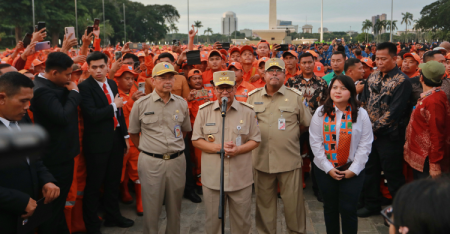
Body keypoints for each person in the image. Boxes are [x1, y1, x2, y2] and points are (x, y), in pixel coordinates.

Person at [247, 58, 312, 234]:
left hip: (288, 160)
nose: (274, 74)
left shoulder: (296, 97)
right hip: (261, 160)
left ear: (285, 74)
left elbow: (306, 123)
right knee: (264, 206)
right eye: (270, 71)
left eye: (278, 71)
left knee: (294, 207)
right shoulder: (252, 98)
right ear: (264, 74)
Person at [191, 70, 261, 234]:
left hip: (240, 179)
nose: (224, 92)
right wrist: (219, 148)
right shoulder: (204, 111)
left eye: (228, 88)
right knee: (213, 224)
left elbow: (255, 140)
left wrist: (238, 150)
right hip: (213, 179)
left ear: (235, 88)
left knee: (242, 225)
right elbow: (196, 140)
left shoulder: (248, 111)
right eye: (220, 88)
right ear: (214, 89)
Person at [128, 62, 192, 234]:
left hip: (177, 161)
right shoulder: (141, 104)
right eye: (162, 78)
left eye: (171, 77)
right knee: (151, 207)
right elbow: (133, 133)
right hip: (151, 162)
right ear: (153, 80)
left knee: (175, 207)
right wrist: (148, 150)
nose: (168, 81)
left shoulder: (181, 103)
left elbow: (185, 130)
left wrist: (172, 146)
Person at [309, 75, 373, 234]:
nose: (338, 91)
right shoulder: (320, 112)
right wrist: (328, 168)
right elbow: (316, 143)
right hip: (325, 169)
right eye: (335, 88)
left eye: (343, 88)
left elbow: (365, 144)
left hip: (352, 169)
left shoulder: (361, 114)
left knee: (349, 209)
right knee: (330, 208)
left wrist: (355, 169)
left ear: (351, 92)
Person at [78, 51, 134, 234]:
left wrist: (125, 136)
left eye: (101, 66)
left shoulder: (111, 83)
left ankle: (113, 216)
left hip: (116, 139)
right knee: (95, 184)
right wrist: (112, 106)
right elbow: (91, 115)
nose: (98, 70)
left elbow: (120, 114)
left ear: (108, 66)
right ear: (88, 68)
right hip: (97, 143)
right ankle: (92, 224)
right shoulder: (85, 87)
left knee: (113, 182)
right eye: (93, 67)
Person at [0, 72, 59, 234]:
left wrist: (46, 180)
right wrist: (19, 200)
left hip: (26, 215)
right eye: (23, 101)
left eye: (29, 101)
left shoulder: (22, 119)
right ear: (2, 98)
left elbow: (33, 157)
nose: (28, 106)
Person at [28, 52, 80, 234]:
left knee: (57, 209)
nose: (70, 78)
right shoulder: (42, 90)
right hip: (55, 159)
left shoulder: (50, 84)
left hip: (62, 155)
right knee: (53, 209)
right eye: (67, 75)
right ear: (54, 73)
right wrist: (74, 93)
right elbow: (63, 116)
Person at [358, 42, 412, 217]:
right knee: (370, 170)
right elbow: (364, 102)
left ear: (395, 59)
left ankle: (400, 212)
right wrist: (366, 129)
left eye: (383, 59)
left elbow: (394, 112)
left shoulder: (402, 81)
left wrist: (373, 129)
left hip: (390, 136)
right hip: (370, 135)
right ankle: (372, 204)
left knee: (393, 174)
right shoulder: (372, 77)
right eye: (377, 59)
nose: (379, 62)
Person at [285, 52, 328, 201]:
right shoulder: (291, 82)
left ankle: (319, 189)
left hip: (316, 127)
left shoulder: (322, 83)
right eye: (304, 63)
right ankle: (292, 187)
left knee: (316, 157)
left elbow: (326, 104)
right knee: (293, 156)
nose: (307, 65)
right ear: (299, 64)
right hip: (296, 125)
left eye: (310, 62)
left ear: (314, 62)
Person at [404, 61, 450, 180]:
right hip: (422, 154)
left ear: (422, 78)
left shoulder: (433, 101)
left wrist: (434, 164)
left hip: (427, 158)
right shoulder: (433, 95)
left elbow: (437, 133)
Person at [114, 65, 146, 215]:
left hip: (135, 139)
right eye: (126, 78)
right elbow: (119, 114)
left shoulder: (136, 92)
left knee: (137, 170)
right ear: (117, 79)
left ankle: (140, 201)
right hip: (120, 140)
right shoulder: (114, 94)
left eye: (132, 78)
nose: (130, 81)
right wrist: (132, 101)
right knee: (119, 171)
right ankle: (123, 193)